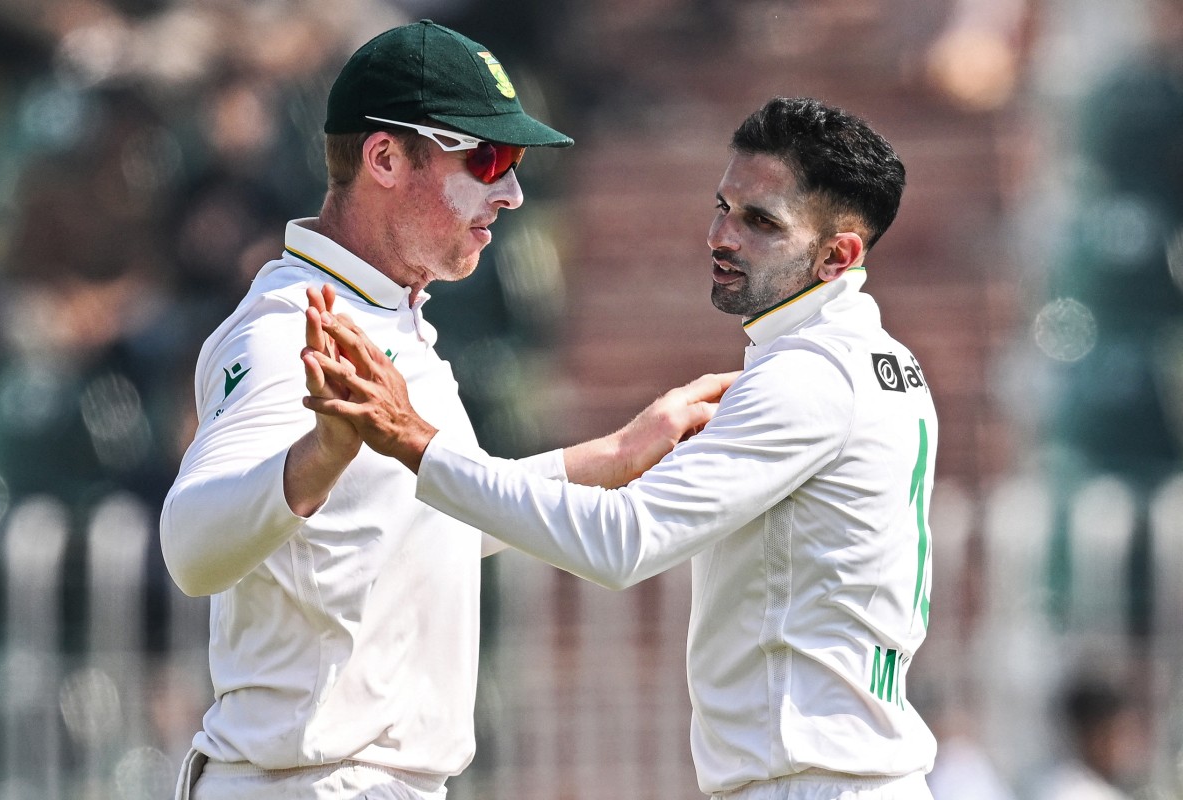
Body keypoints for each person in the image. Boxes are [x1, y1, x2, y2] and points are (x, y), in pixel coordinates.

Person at [305, 96, 941, 800]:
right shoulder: (881, 361)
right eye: (723, 205)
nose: (721, 237)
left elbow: (623, 542)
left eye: (761, 222)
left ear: (838, 256)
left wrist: (415, 443)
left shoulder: (806, 376)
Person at [159, 19, 728, 800]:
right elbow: (190, 545)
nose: (513, 193)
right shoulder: (290, 329)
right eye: (486, 159)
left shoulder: (389, 318)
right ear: (385, 157)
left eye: (516, 164)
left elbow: (421, 526)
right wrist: (318, 457)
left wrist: (610, 456)